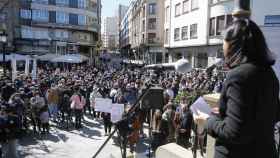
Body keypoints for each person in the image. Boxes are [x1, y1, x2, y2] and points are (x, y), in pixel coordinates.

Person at [196, 18, 280, 158]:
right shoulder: (269, 73)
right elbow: (275, 113)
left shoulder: (238, 76)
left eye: (224, 41)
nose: (223, 47)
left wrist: (208, 121)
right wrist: (231, 113)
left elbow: (233, 132)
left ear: (233, 45)